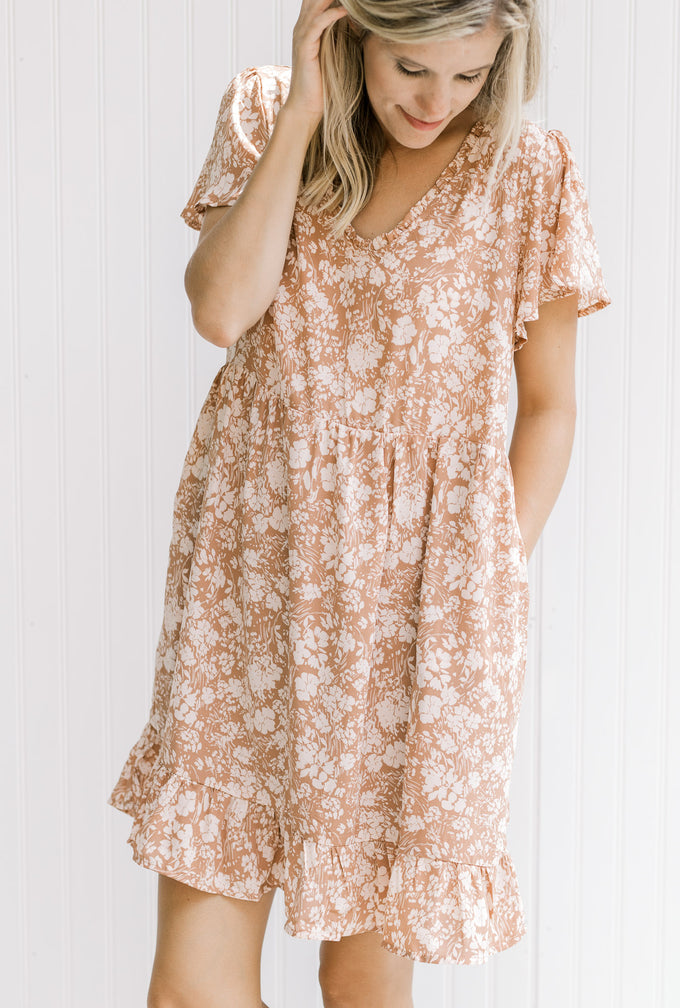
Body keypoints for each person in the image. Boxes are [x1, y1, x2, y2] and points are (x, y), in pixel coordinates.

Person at [107, 1, 611, 1006]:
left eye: (469, 76)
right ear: (353, 35)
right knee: (188, 989)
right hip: (250, 581)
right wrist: (303, 113)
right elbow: (218, 310)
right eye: (411, 68)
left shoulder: (529, 172)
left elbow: (550, 408)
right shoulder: (265, 114)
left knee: (363, 985)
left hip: (419, 608)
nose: (437, 101)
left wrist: (488, 578)